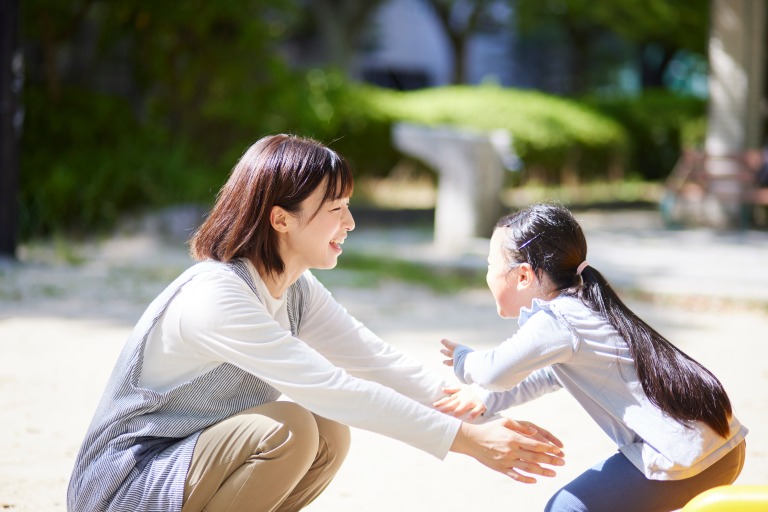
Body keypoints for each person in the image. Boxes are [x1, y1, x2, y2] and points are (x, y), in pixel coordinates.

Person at [66, 134, 565, 512]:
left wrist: (486, 420)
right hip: (123, 484)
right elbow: (337, 387)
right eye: (336, 210)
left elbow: (377, 364)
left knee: (328, 432)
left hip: (183, 468)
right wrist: (470, 444)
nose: (349, 224)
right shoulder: (217, 293)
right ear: (280, 219)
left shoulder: (295, 289)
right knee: (291, 428)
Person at [436, 203, 748, 512]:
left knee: (565, 508)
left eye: (491, 265)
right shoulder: (585, 303)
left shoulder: (557, 320)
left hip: (684, 460)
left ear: (522, 276)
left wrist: (465, 359)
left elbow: (494, 371)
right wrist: (485, 399)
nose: (488, 274)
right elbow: (545, 375)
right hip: (724, 447)